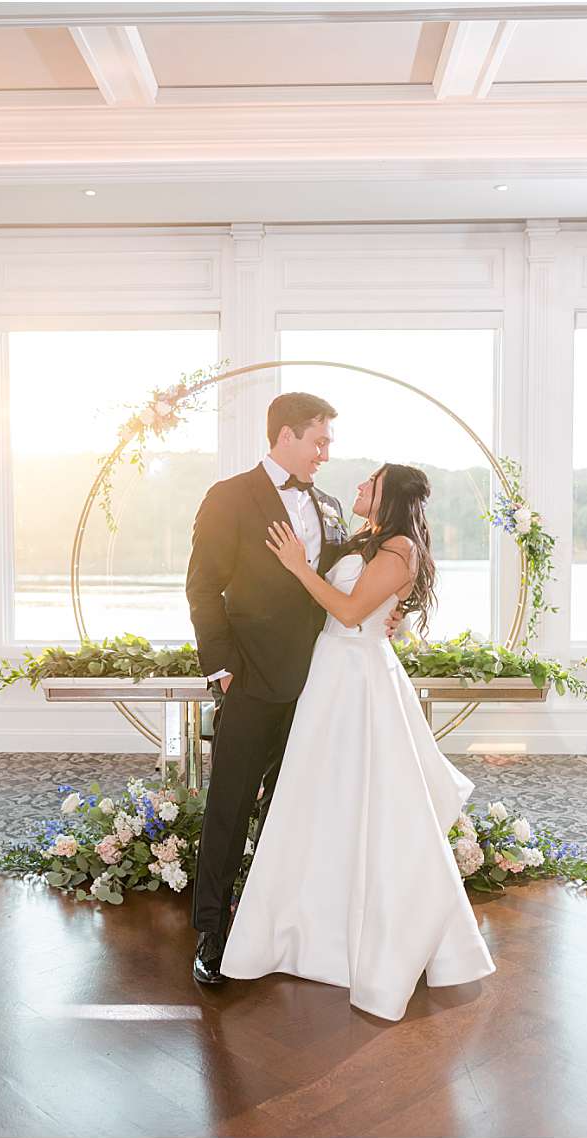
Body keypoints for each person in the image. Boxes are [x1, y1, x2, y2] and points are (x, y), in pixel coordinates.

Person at [217, 461, 495, 1019]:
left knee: (368, 801)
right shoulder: (366, 539)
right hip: (329, 675)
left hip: (358, 679)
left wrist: (297, 565)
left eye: (372, 481)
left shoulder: (400, 550)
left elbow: (347, 612)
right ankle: (308, 931)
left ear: (389, 494)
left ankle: (369, 939)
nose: (360, 486)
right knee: (317, 801)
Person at [186, 392, 350, 985]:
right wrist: (222, 669)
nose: (326, 454)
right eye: (319, 441)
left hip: (320, 683)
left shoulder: (330, 504)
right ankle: (211, 932)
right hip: (251, 679)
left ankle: (286, 930)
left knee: (297, 809)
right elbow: (203, 587)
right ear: (285, 436)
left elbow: (347, 578)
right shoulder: (228, 497)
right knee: (229, 808)